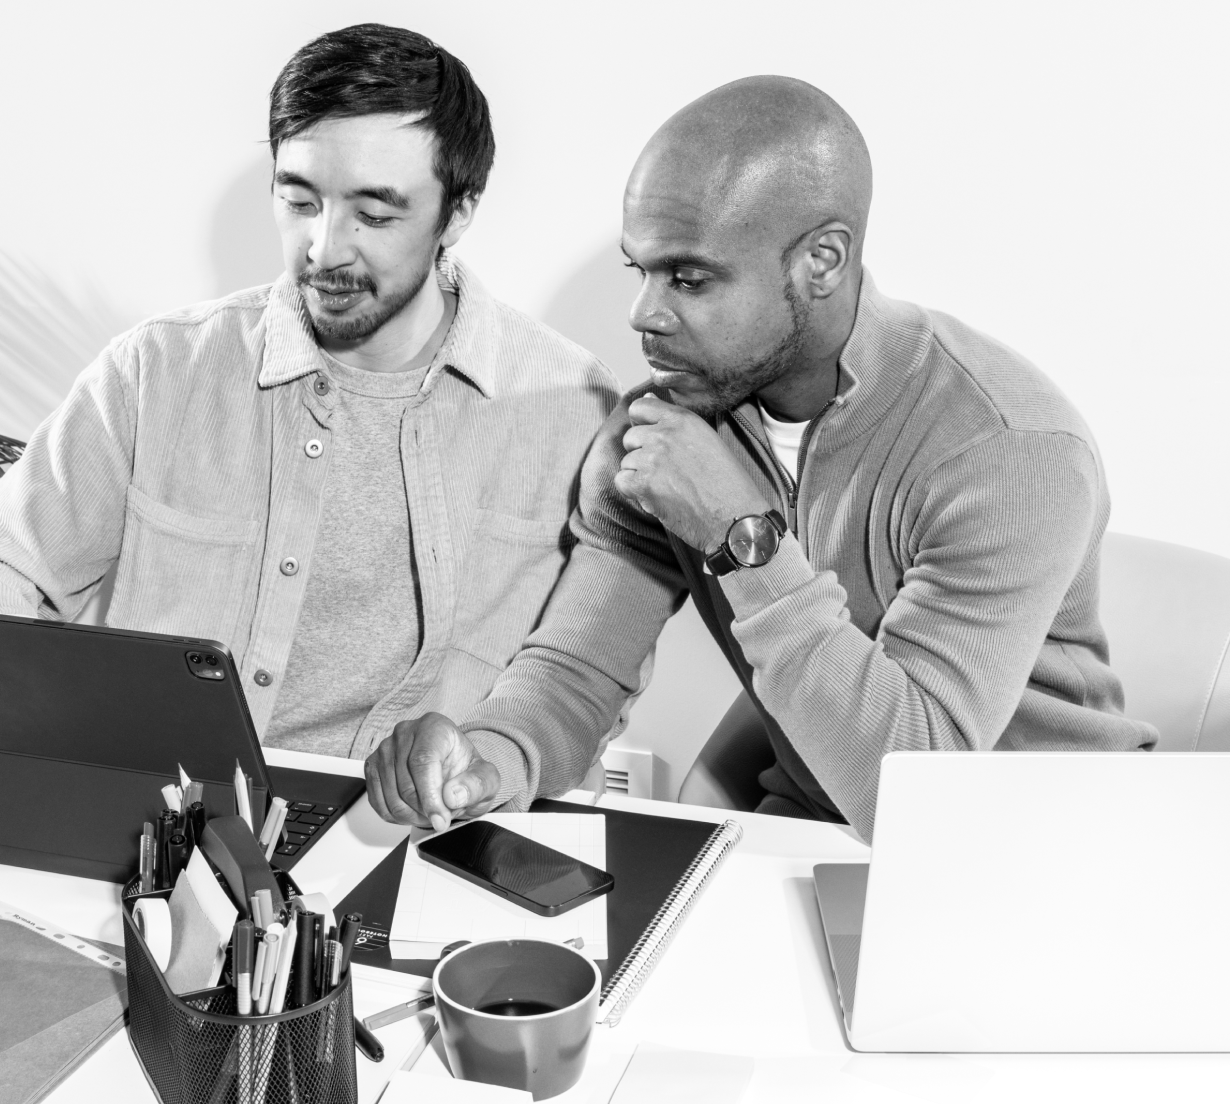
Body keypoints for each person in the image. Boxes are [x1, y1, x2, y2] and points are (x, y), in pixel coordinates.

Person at [365, 76, 1158, 839]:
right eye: (642, 270)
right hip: (822, 830)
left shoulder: (1008, 453)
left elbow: (917, 788)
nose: (644, 314)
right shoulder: (661, 432)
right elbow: (577, 671)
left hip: (1060, 845)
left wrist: (743, 535)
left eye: (691, 277)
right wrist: (486, 762)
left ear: (822, 262)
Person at [0, 25, 616, 768]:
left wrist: (492, 759)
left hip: (428, 835)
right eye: (300, 200)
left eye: (375, 215)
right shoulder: (162, 370)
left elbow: (592, 669)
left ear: (459, 211)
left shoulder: (570, 405)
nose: (325, 248)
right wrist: (50, 721)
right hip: (175, 811)